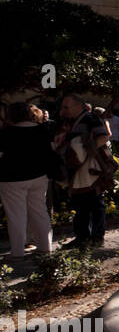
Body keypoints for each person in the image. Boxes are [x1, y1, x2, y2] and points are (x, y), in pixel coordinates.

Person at [52, 93, 112, 248]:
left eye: (66, 107)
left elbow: (103, 137)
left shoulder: (91, 118)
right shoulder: (70, 121)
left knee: (95, 204)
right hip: (78, 171)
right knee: (81, 205)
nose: (63, 110)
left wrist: (84, 153)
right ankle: (82, 237)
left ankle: (97, 238)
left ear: (78, 106)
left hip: (91, 170)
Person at [0, 102, 55, 260]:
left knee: (16, 215)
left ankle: (17, 252)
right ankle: (45, 247)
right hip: (39, 176)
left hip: (12, 178)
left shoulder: (7, 132)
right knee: (39, 211)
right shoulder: (43, 130)